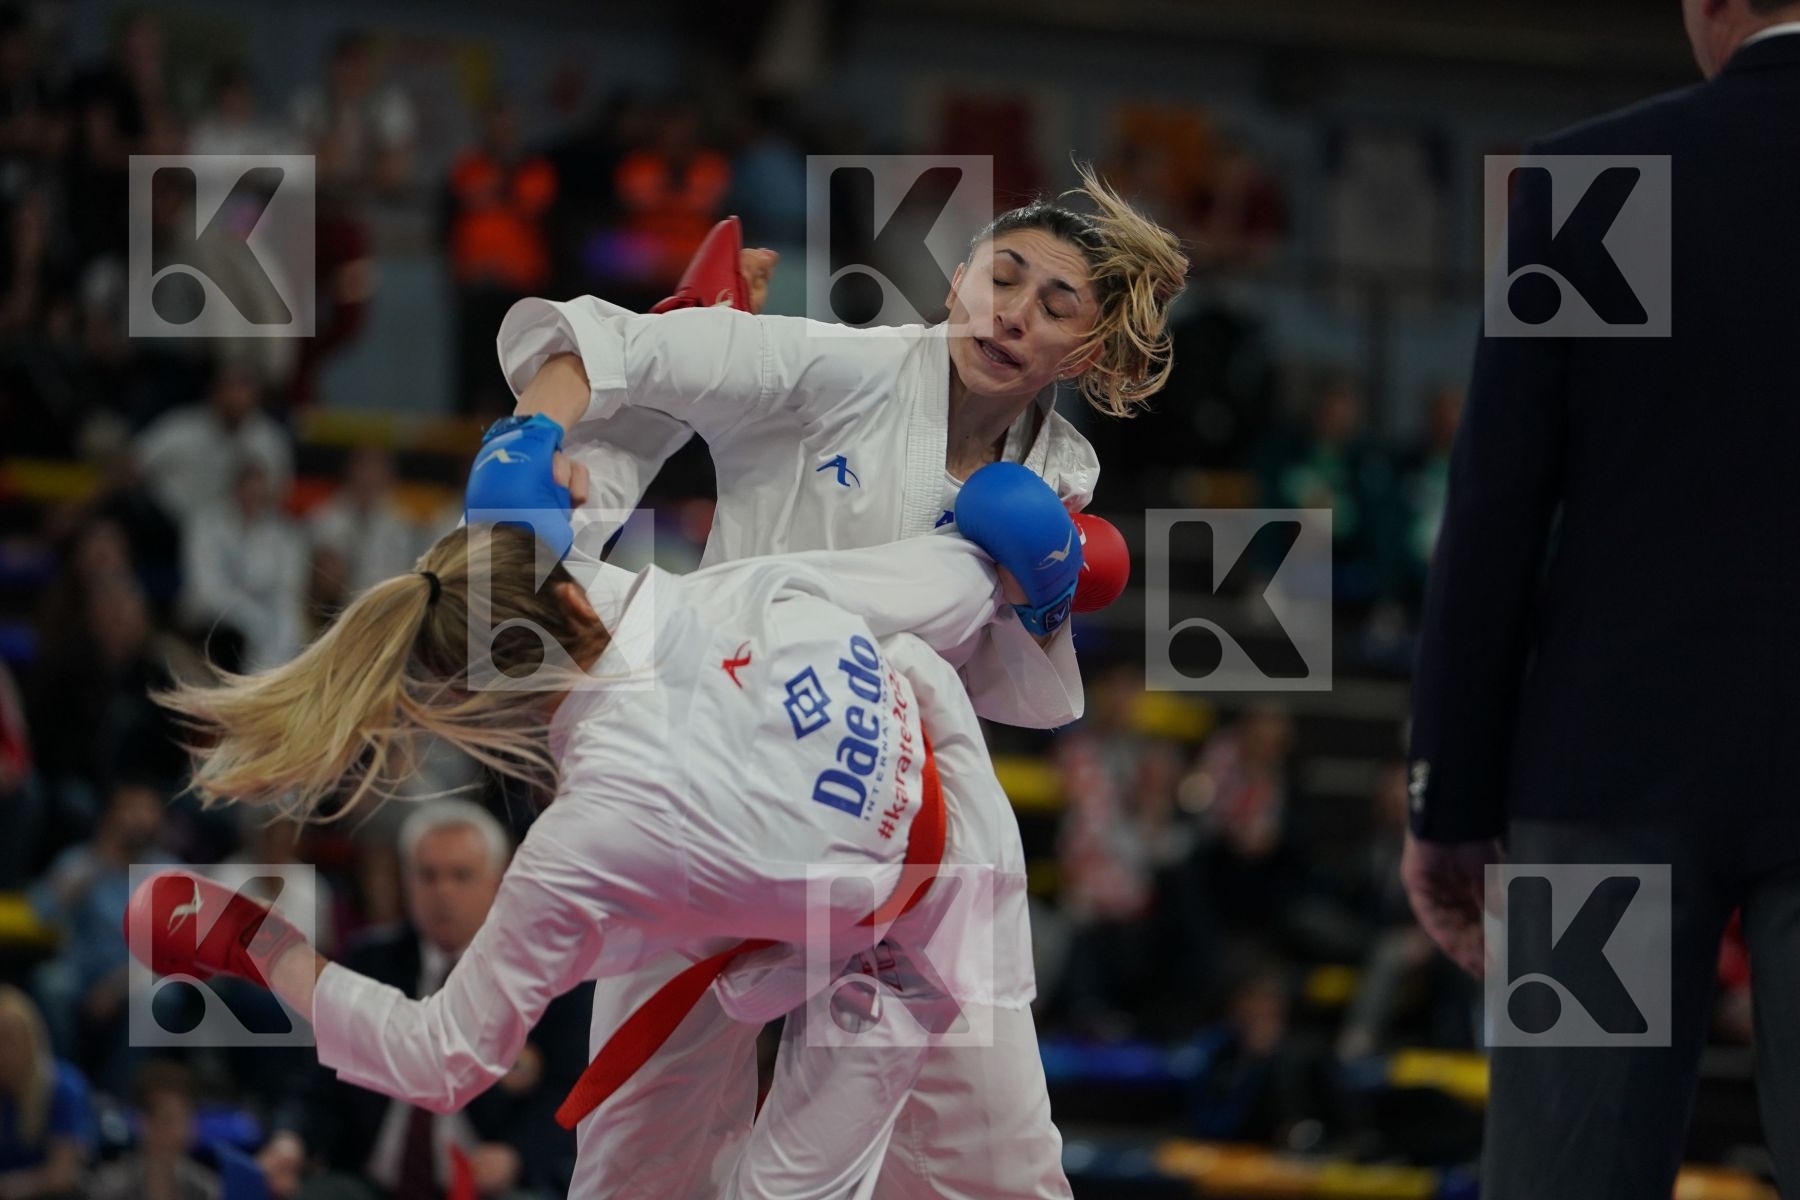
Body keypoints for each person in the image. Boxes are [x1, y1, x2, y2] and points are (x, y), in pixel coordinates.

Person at [130, 448, 1090, 1198]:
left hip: (909, 922)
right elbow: (943, 577)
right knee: (630, 1171)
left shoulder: (593, 829)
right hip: (881, 832)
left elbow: (444, 1056)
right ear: (563, 583)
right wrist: (1041, 576)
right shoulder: (713, 585)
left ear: (472, 706)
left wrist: (261, 946)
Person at [494, 164, 1183, 1197]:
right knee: (639, 1157)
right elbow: (613, 346)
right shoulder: (835, 368)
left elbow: (1019, 693)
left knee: (998, 1154)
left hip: (891, 811)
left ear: (1081, 350)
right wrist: (532, 436)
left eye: (1054, 306)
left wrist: (1042, 608)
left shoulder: (1059, 474)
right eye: (1003, 279)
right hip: (718, 777)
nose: (1013, 315)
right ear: (955, 280)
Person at [1402, 3, 1800, 1197]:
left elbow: (1498, 508)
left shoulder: (1600, 179)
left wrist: (1448, 796)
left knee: (1563, 1181)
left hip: (1605, 778)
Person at [258, 801, 588, 1199]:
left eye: (461, 876)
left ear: (500, 882)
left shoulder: (544, 975)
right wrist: (291, 1139)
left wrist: (515, 1155)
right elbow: (319, 1077)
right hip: (374, 1183)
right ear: (406, 880)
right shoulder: (369, 959)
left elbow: (567, 1092)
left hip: (488, 1186)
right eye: (428, 876)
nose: (443, 892)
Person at [0, 985, 92, 1200]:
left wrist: (11, 1187)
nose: (2, 1052)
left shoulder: (63, 1088)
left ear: (31, 1040)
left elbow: (63, 1174)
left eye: (8, 1039)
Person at [86, 1060, 219, 1200]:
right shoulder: (109, 1187)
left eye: (185, 1120)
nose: (178, 1132)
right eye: (167, 1120)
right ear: (143, 1123)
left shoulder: (207, 1189)